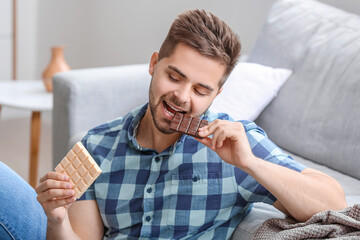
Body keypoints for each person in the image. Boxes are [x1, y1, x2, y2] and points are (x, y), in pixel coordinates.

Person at [5, 9, 343, 240]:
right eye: (174, 76)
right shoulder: (97, 146)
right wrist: (57, 219)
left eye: (200, 89)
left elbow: (334, 204)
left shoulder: (236, 148)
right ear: (154, 64)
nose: (182, 97)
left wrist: (250, 163)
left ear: (217, 94)